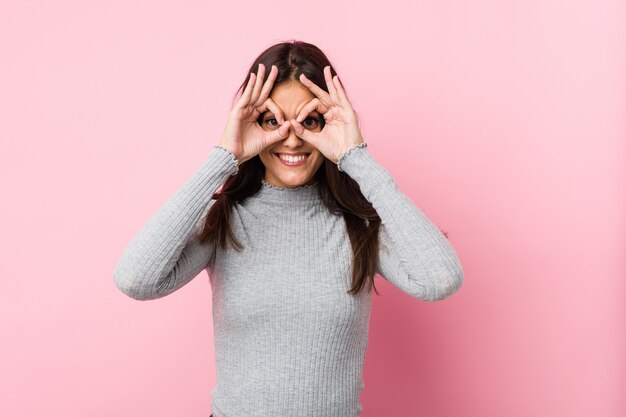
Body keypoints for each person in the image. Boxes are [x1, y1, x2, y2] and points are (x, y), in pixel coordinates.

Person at [113, 40, 464, 417]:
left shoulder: (360, 223)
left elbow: (439, 280)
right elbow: (136, 279)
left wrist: (356, 157)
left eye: (310, 122)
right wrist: (223, 157)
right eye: (272, 121)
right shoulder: (224, 219)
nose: (292, 138)